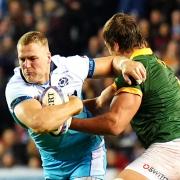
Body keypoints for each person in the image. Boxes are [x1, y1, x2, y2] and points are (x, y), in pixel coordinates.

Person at [5, 31, 146, 180]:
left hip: (87, 153)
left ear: (48, 57)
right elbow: (40, 122)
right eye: (22, 59)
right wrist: (75, 104)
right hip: (53, 163)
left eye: (32, 58)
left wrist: (125, 63)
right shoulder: (16, 88)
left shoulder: (69, 66)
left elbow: (111, 63)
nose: (26, 65)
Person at [70, 13, 180, 180]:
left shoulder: (135, 72)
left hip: (170, 149)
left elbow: (114, 124)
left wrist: (67, 123)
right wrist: (64, 109)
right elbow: (100, 102)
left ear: (114, 46)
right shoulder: (157, 64)